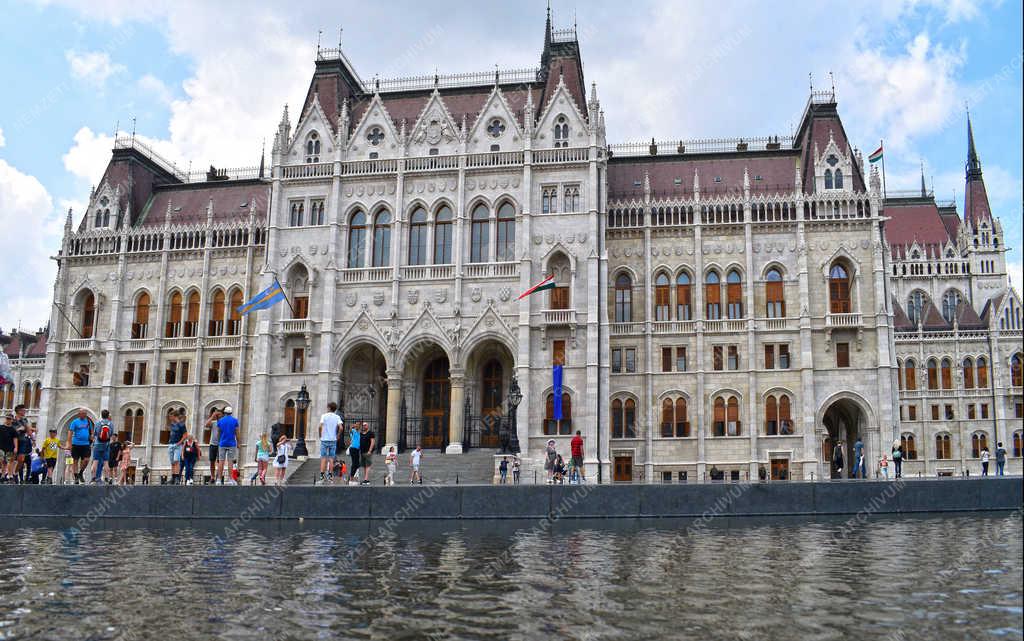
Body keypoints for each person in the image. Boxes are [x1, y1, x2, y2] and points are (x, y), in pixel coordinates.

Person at [65, 408, 93, 484]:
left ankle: (81, 472)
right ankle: (76, 477)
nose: (85, 415)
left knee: (86, 460)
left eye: (85, 413)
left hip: (86, 444)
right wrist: (69, 444)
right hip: (76, 444)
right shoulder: (74, 422)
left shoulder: (88, 421)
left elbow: (91, 432)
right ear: (79, 414)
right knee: (75, 461)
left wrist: (92, 438)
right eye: (83, 413)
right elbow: (70, 433)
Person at [215, 406, 239, 485]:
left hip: (222, 443)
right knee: (230, 461)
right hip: (232, 443)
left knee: (221, 461)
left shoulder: (220, 421)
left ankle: (218, 479)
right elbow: (237, 433)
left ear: (224, 413)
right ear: (231, 413)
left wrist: (219, 441)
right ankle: (230, 479)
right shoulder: (235, 421)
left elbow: (218, 432)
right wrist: (238, 442)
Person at [318, 402, 342, 482]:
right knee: (331, 458)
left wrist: (320, 435)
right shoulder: (337, 417)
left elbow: (320, 426)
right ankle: (330, 475)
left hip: (324, 439)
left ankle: (322, 475)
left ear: (329, 408)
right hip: (333, 440)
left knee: (323, 458)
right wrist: (338, 436)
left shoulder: (324, 416)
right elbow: (341, 428)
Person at [91, 409, 114, 484]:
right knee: (106, 462)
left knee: (95, 462)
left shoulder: (98, 423)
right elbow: (111, 434)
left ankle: (93, 479)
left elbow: (95, 433)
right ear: (108, 415)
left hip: (97, 444)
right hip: (106, 445)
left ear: (101, 415)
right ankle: (106, 478)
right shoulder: (111, 424)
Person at [167, 409, 187, 484]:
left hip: (177, 445)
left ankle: (177, 478)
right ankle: (173, 477)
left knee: (176, 461)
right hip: (171, 444)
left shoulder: (181, 424)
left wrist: (179, 443)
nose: (169, 418)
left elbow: (185, 435)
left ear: (174, 416)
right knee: (172, 462)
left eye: (170, 416)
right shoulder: (172, 424)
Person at [205, 407, 222, 482]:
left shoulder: (223, 423)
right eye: (217, 415)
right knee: (212, 461)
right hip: (213, 444)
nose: (218, 416)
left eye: (219, 415)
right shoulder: (213, 423)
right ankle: (212, 477)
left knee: (219, 461)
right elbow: (206, 425)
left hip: (221, 444)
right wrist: (212, 416)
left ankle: (218, 477)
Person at [0, 414, 17, 482]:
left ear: (12, 420)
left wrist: (16, 447)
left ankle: (7, 475)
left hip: (10, 448)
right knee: (2, 461)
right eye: (7, 418)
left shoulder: (13, 429)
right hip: (1, 447)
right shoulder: (1, 427)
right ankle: (3, 474)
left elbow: (15, 439)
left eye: (9, 419)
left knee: (8, 462)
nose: (8, 420)